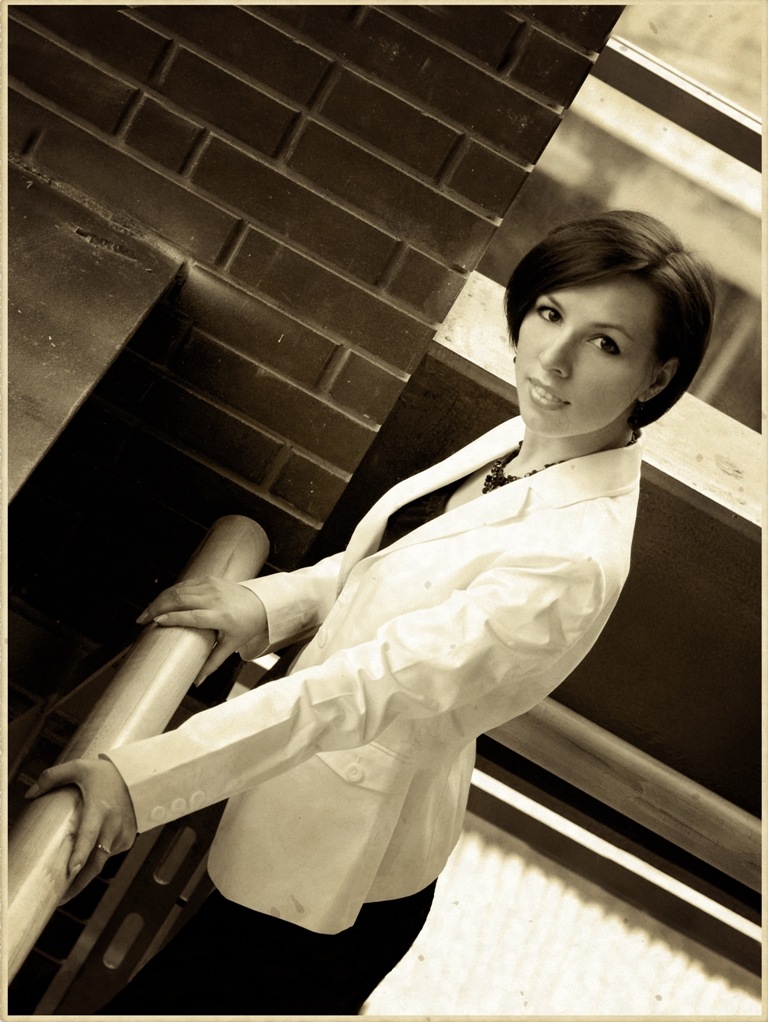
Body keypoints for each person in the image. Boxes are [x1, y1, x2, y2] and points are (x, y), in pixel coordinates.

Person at [27, 209, 716, 1014]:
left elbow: (364, 687)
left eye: (606, 345)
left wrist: (137, 779)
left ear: (657, 377)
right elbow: (393, 573)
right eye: (550, 313)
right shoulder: (538, 438)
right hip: (306, 811)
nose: (553, 359)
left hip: (338, 887)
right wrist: (266, 604)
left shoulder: (571, 559)